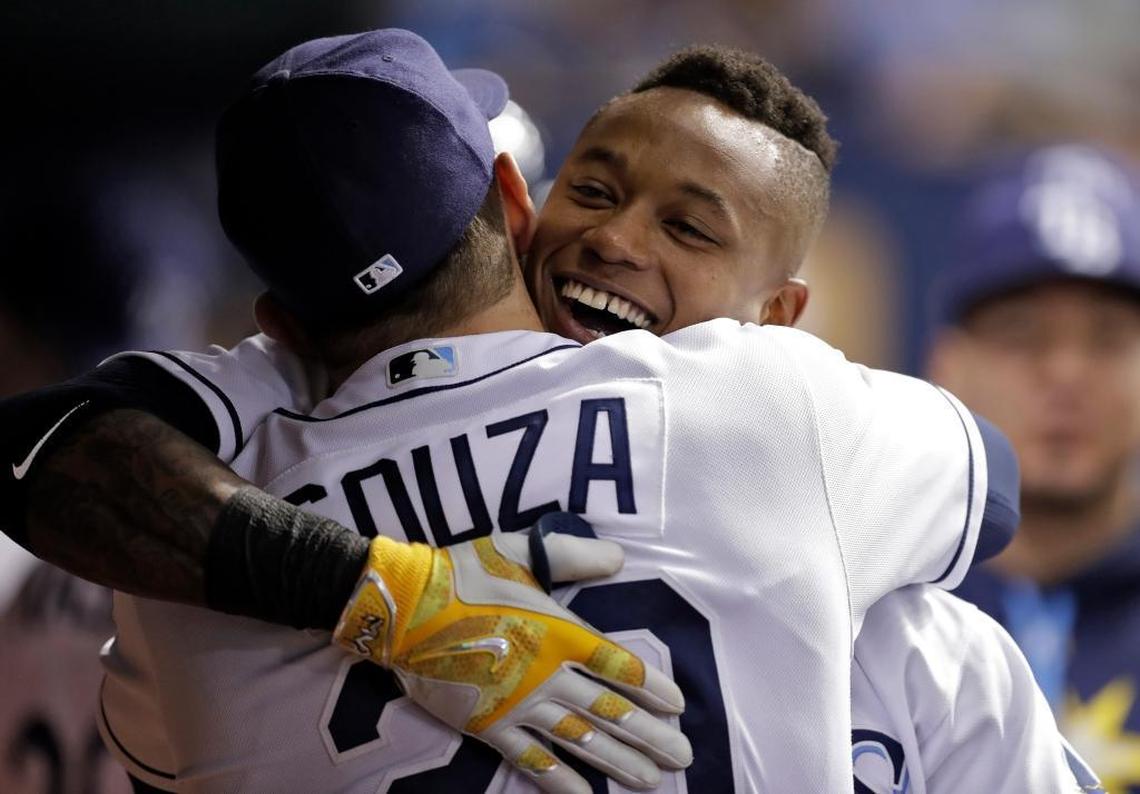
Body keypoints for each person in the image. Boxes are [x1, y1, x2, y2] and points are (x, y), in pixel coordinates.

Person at [0, 32, 1017, 792]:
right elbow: (994, 485)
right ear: (516, 196)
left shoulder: (206, 523)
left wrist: (375, 586)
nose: (618, 240)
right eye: (597, 188)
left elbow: (44, 449)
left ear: (275, 315)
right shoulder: (786, 404)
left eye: (686, 227)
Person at [931, 144, 1140, 794]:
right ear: (948, 365)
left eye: (1106, 337)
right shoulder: (866, 615)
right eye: (1022, 334)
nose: (1065, 374)